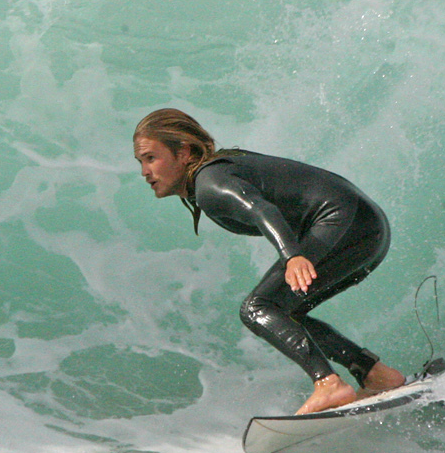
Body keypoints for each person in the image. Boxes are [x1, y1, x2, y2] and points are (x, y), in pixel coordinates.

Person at [132, 108, 405, 414]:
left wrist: (292, 256)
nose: (144, 171)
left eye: (150, 158)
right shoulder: (215, 174)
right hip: (365, 226)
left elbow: (261, 209)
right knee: (286, 313)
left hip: (345, 223)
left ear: (183, 153)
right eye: (140, 161)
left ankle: (329, 384)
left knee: (257, 308)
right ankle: (375, 374)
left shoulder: (210, 185)